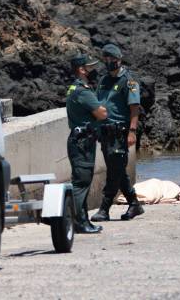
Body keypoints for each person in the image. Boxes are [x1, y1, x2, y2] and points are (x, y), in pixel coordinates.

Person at [91, 44, 144, 222]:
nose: (109, 62)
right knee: (118, 169)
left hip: (120, 131)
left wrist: (132, 131)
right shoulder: (104, 80)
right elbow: (98, 105)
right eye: (105, 59)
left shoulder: (128, 81)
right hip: (105, 132)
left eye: (111, 59)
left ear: (119, 59)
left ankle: (104, 208)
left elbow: (135, 108)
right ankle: (134, 203)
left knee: (114, 171)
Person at [66, 53, 108, 234]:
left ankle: (82, 221)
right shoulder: (82, 91)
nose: (94, 71)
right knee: (81, 183)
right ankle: (77, 222)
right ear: (82, 70)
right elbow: (102, 114)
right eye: (90, 67)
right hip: (82, 142)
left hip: (82, 141)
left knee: (83, 181)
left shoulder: (75, 88)